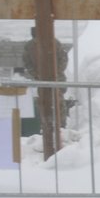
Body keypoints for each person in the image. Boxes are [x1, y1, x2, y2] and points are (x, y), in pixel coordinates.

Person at [22, 24, 68, 158]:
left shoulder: (54, 43)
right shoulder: (30, 46)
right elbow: (27, 63)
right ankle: (46, 128)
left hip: (56, 80)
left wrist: (55, 74)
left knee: (59, 103)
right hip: (42, 80)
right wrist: (37, 75)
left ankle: (61, 127)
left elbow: (63, 60)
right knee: (44, 103)